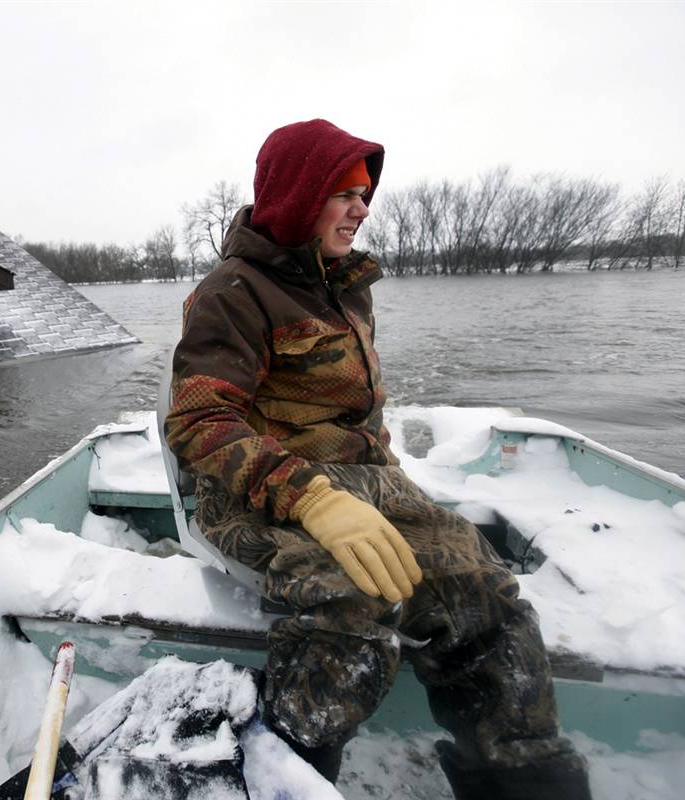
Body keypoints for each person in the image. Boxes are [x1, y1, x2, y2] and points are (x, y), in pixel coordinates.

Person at [163, 119, 591, 799]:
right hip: (259, 493)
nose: (363, 208)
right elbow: (198, 419)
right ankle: (289, 770)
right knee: (352, 598)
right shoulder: (234, 292)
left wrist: (390, 492)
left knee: (486, 594)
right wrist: (314, 499)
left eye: (365, 192)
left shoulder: (345, 285)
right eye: (344, 193)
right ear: (299, 196)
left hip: (366, 485)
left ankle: (523, 783)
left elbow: (360, 418)